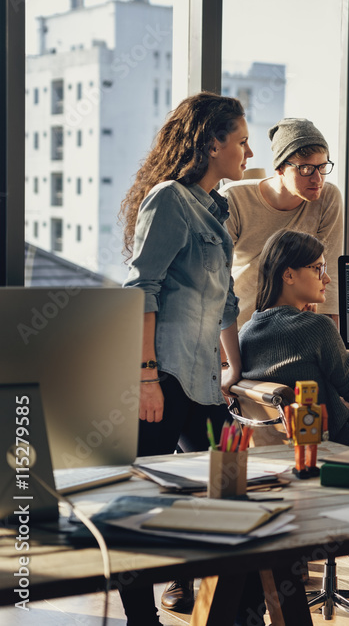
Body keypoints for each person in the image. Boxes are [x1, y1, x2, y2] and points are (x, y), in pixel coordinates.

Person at [119, 91, 251, 623]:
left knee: (230, 487)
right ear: (212, 142)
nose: (245, 151)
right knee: (136, 503)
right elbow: (141, 289)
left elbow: (226, 304)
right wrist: (145, 375)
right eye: (239, 141)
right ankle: (140, 616)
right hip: (165, 374)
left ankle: (229, 608)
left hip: (202, 378)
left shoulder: (216, 207)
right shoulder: (169, 199)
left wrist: (233, 367)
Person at [239, 229, 349, 446]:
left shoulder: (246, 332)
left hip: (287, 460)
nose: (327, 279)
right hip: (339, 455)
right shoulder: (317, 327)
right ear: (289, 275)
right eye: (318, 269)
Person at [222, 117, 344, 329]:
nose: (317, 179)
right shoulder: (234, 199)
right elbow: (217, 280)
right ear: (280, 168)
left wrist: (333, 344)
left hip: (294, 330)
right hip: (240, 327)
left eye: (322, 167)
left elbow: (328, 273)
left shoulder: (328, 197)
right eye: (306, 169)